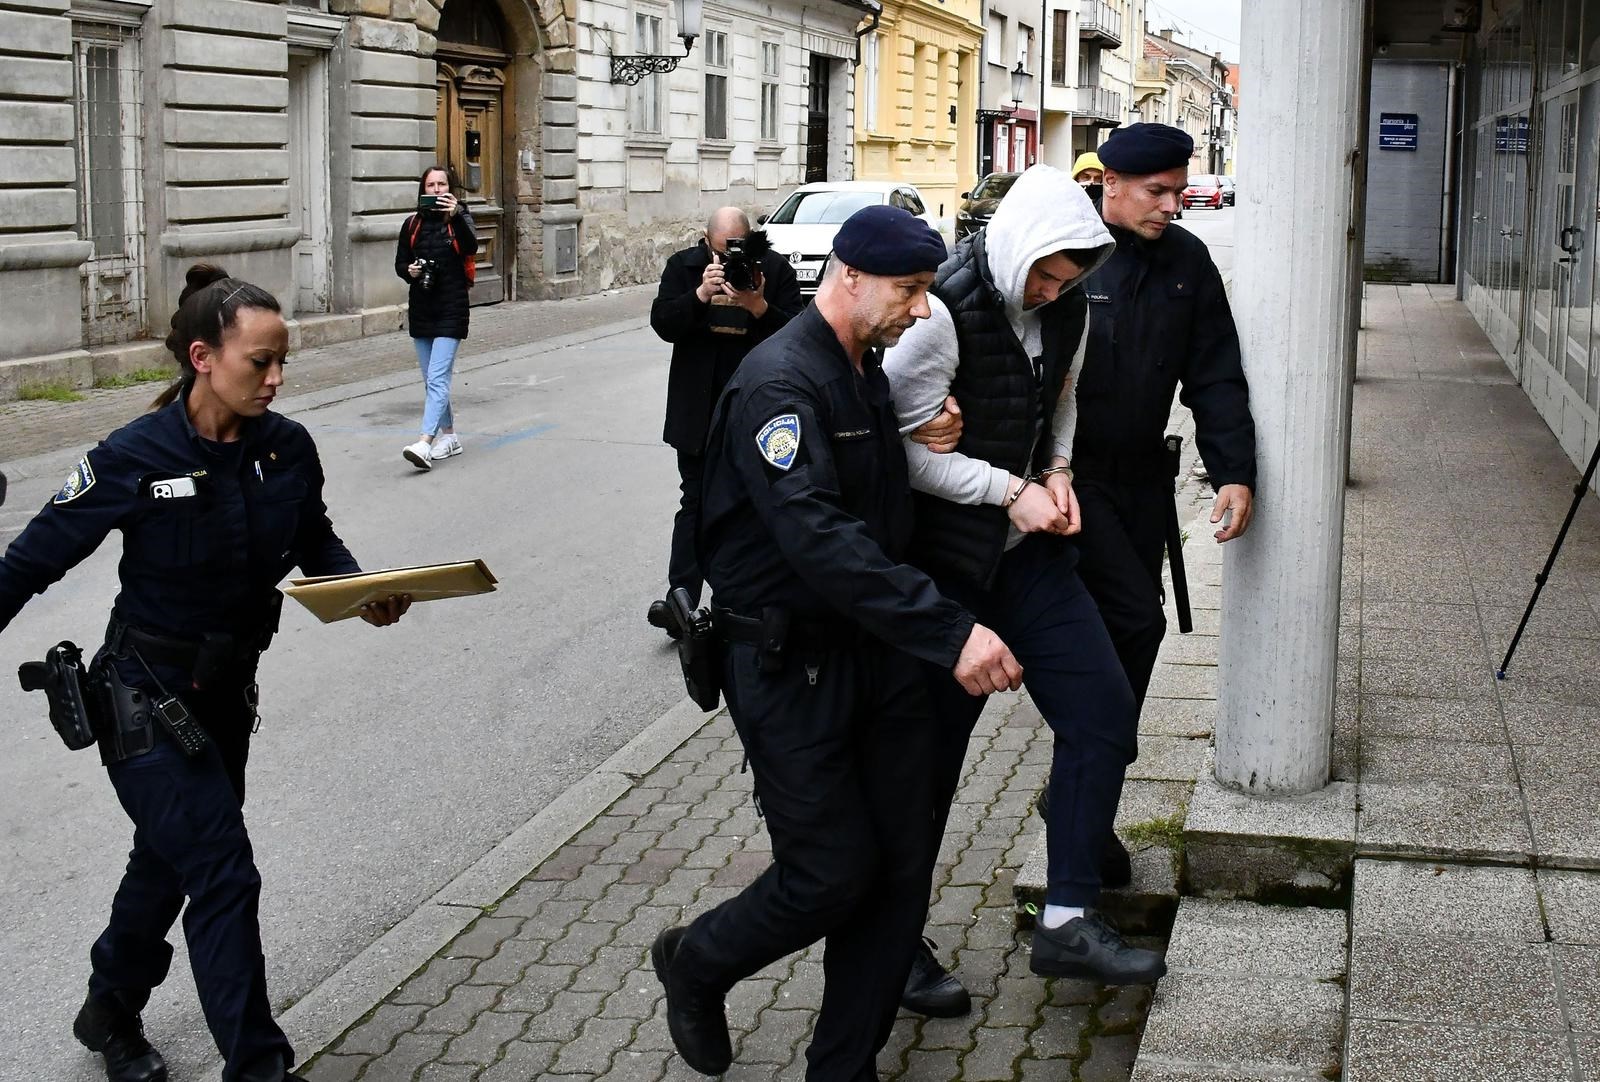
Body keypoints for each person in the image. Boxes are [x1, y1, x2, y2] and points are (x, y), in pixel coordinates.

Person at [0, 264, 412, 1082]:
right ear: (202, 356)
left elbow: (314, 541)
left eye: (281, 360)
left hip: (224, 699)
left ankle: (109, 1007)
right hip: (143, 699)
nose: (277, 378)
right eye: (260, 362)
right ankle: (258, 1068)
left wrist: (359, 590)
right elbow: (27, 564)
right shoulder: (133, 456)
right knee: (222, 869)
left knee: (169, 858)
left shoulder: (286, 448)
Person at [649, 205, 1023, 1081]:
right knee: (829, 874)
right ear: (849, 278)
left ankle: (842, 1069)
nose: (924, 309)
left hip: (876, 659)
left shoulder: (865, 371)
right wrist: (949, 630)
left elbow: (869, 493)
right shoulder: (778, 382)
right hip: (787, 663)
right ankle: (697, 962)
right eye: (911, 290)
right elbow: (817, 534)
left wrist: (914, 434)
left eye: (930, 289)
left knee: (896, 876)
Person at [884, 166, 1166, 1015]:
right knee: (926, 770)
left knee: (1103, 715)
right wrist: (1010, 491)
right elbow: (897, 452)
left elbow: (1064, 401)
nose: (1052, 290)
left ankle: (1070, 916)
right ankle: (890, 946)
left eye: (1070, 275)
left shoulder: (1070, 306)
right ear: (1015, 244)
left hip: (1027, 558)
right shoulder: (938, 317)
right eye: (1044, 273)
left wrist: (1057, 468)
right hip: (946, 572)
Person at [1071, 122, 1256, 708]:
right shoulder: (1069, 253)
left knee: (1134, 617)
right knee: (1130, 618)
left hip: (1145, 481)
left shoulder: (1188, 259)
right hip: (1071, 478)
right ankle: (1093, 756)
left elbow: (1215, 375)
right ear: (1112, 184)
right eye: (1157, 192)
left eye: (1178, 191)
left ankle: (1089, 763)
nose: (1172, 206)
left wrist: (1234, 472)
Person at [646, 207, 803, 637]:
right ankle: (682, 601)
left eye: (739, 248)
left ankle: (744, 601)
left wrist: (759, 306)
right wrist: (699, 295)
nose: (731, 258)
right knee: (694, 502)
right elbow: (663, 323)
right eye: (723, 249)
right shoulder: (684, 267)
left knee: (754, 504)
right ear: (706, 240)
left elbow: (799, 335)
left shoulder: (771, 269)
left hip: (755, 412)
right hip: (697, 411)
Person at [395, 165, 478, 471]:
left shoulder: (459, 218)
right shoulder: (412, 224)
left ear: (449, 188)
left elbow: (471, 247)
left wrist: (457, 214)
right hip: (422, 308)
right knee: (431, 381)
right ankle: (451, 437)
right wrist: (410, 271)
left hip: (451, 308)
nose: (437, 189)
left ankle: (424, 442)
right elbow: (400, 263)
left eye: (442, 184)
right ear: (423, 189)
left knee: (438, 378)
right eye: (431, 185)